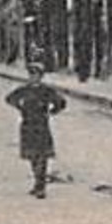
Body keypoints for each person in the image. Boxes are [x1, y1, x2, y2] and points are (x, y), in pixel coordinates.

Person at [5, 60, 66, 199]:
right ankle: (37, 183)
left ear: (41, 76)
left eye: (36, 74)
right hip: (27, 125)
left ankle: (41, 186)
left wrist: (51, 111)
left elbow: (61, 102)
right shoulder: (24, 89)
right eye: (31, 74)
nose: (33, 77)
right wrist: (20, 107)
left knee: (42, 155)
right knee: (32, 156)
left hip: (41, 125)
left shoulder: (46, 90)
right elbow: (9, 99)